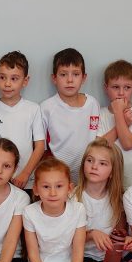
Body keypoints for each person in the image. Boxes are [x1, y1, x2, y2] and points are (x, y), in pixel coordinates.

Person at [0, 51, 46, 192]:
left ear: (25, 81)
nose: (7, 84)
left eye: (14, 78)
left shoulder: (33, 109)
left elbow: (40, 146)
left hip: (25, 181)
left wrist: (25, 174)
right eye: (2, 77)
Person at [40, 48, 101, 184]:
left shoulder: (92, 103)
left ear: (83, 77)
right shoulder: (46, 107)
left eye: (76, 74)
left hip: (89, 175)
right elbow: (41, 148)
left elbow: (97, 139)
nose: (69, 80)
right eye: (63, 74)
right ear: (54, 78)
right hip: (58, 177)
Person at [98, 59, 132, 186]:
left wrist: (118, 114)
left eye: (127, 87)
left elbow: (127, 143)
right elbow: (99, 147)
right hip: (106, 177)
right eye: (115, 87)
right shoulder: (100, 113)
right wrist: (123, 120)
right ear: (106, 88)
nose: (121, 93)